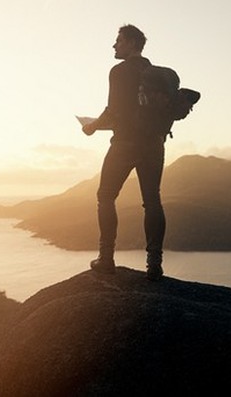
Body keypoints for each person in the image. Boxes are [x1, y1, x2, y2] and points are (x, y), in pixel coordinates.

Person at [81, 24, 169, 281]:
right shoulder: (155, 73)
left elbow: (113, 110)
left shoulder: (119, 72)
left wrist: (91, 127)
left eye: (118, 41)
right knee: (152, 201)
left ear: (131, 43)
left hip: (125, 143)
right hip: (154, 143)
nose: (114, 45)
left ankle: (106, 258)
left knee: (105, 196)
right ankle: (154, 264)